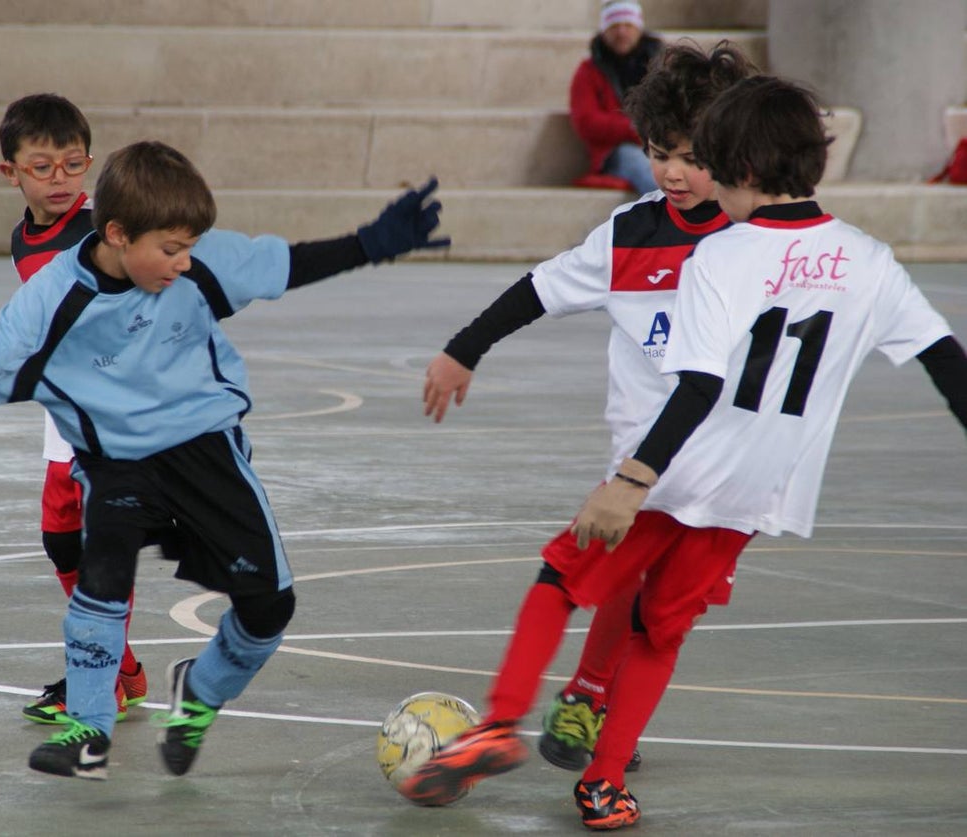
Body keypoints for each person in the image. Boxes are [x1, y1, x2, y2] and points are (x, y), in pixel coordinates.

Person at [413, 75, 967, 831]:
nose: (680, 172)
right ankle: (605, 784)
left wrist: (633, 479)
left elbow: (700, 384)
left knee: (560, 576)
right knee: (661, 628)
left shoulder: (723, 256)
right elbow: (947, 362)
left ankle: (502, 721)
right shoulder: (869, 258)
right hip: (758, 491)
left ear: (737, 168)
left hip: (678, 467)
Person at [0, 140, 450, 781]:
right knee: (103, 575)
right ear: (118, 234)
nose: (182, 264)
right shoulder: (53, 298)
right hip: (115, 459)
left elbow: (286, 264)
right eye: (170, 250)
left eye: (189, 248)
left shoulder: (196, 263)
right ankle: (88, 729)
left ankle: (201, 690)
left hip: (205, 448)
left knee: (268, 610)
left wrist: (372, 242)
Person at [408, 39, 755, 799]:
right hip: (679, 473)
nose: (672, 172)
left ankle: (531, 716)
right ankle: (591, 722)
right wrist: (465, 347)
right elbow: (538, 289)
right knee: (639, 602)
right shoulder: (631, 231)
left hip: (697, 474)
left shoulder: (755, 244)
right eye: (660, 152)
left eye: (693, 157)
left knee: (595, 590)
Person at [0, 92, 145, 726]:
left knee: (103, 539)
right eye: (42, 166)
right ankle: (127, 671)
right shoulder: (23, 239)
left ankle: (103, 676)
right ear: (12, 173)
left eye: (72, 163)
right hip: (65, 409)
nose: (59, 179)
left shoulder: (101, 228)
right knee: (61, 539)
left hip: (120, 410)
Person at [570, 0, 663, 194]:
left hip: (663, 143)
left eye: (628, 25)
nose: (621, 32)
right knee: (646, 168)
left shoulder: (661, 67)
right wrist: (633, 128)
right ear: (604, 31)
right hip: (616, 152)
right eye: (614, 26)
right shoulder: (588, 71)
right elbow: (587, 121)